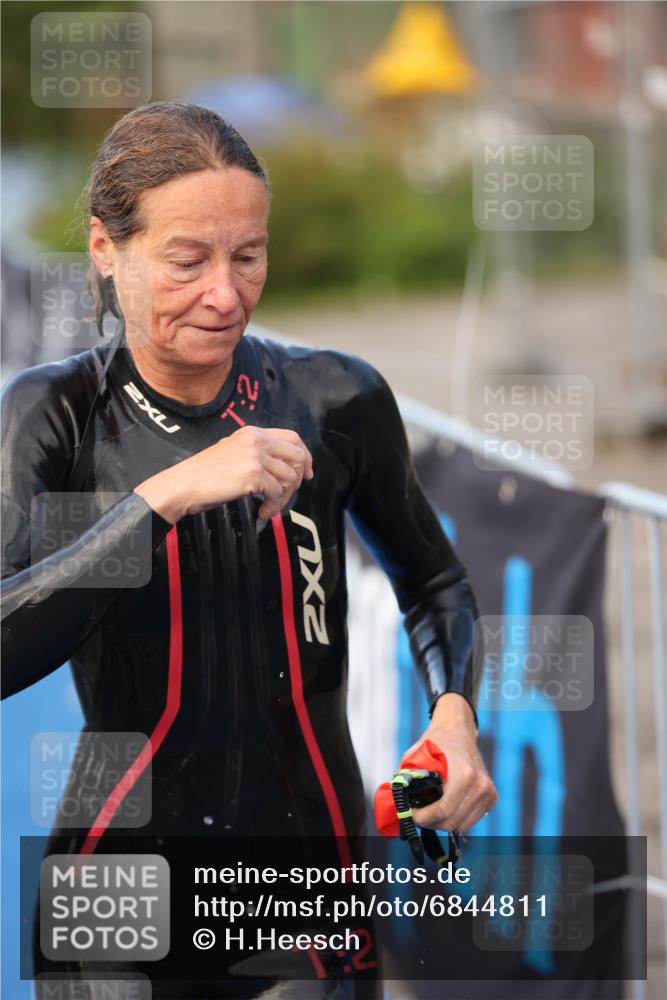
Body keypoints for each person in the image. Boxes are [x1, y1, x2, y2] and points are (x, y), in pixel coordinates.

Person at [1, 101, 497, 999]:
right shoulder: (55, 416)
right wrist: (162, 499)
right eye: (187, 261)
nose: (224, 294)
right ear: (106, 251)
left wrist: (455, 715)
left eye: (249, 256)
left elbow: (433, 579)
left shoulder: (333, 399)